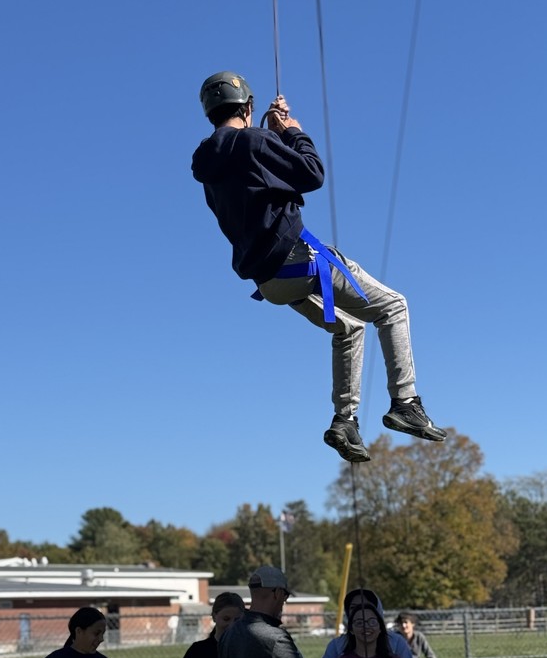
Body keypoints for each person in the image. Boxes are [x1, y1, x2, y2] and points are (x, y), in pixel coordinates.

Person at [191, 72, 446, 464]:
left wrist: (274, 138)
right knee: (393, 306)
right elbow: (312, 173)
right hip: (298, 259)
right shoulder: (254, 141)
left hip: (270, 280)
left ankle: (345, 421)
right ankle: (406, 403)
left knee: (349, 327)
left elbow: (257, 179)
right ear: (247, 107)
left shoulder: (210, 164)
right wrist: (293, 131)